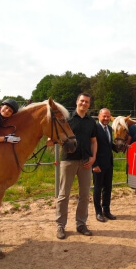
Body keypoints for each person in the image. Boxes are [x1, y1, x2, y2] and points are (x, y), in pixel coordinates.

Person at [54, 93, 97, 239]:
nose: (84, 104)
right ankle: (60, 225)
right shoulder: (67, 119)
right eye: (82, 101)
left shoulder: (91, 121)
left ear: (89, 105)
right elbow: (57, 134)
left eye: (87, 102)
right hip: (68, 160)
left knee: (84, 195)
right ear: (77, 102)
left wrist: (93, 157)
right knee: (63, 194)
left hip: (85, 162)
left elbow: (94, 141)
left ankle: (81, 224)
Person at [92, 108, 119, 222]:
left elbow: (108, 144)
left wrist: (121, 147)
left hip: (109, 164)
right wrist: (95, 164)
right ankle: (98, 212)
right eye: (104, 116)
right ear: (99, 116)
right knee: (98, 189)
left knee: (108, 188)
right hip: (98, 165)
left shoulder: (109, 128)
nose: (106, 118)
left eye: (108, 116)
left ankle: (106, 210)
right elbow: (91, 147)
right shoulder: (95, 129)